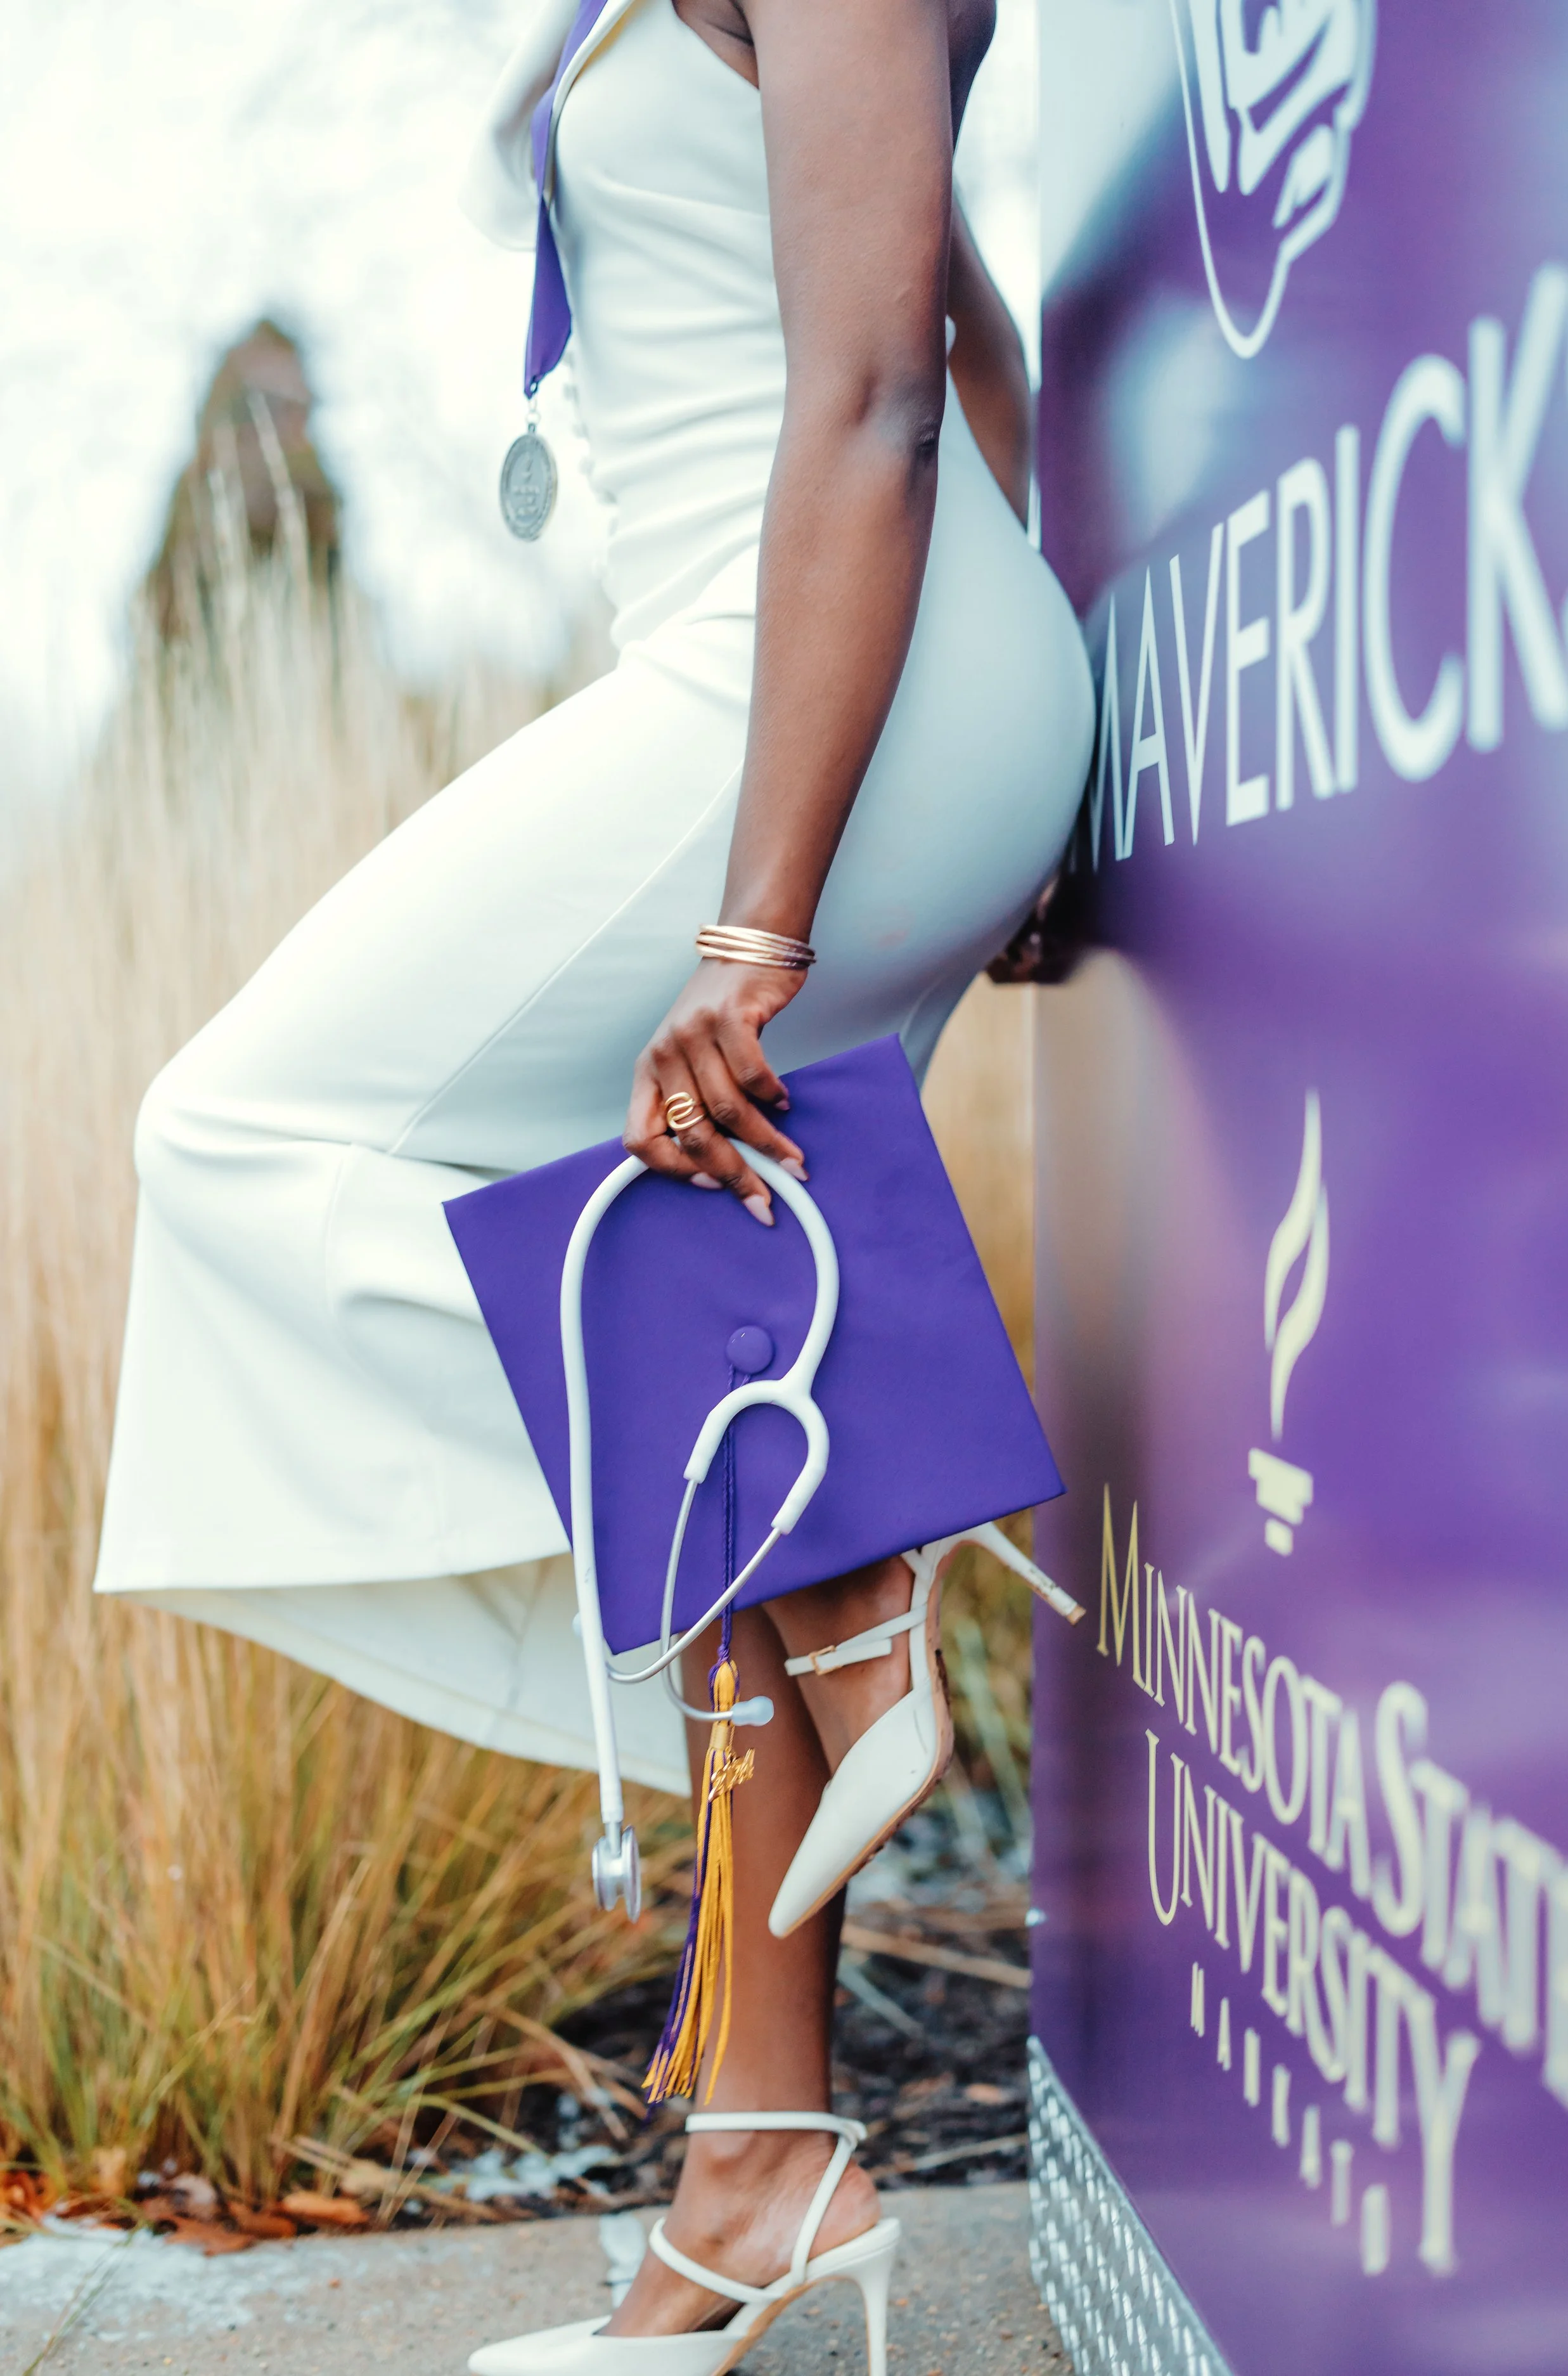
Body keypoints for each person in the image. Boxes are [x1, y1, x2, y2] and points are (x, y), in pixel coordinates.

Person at [93, 0, 1092, 2363]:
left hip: (818, 686)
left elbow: (876, 385)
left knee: (238, 1134)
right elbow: (970, 322)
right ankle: (754, 2168)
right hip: (833, 672)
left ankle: (843, 1569)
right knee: (671, 1268)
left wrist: (758, 924)